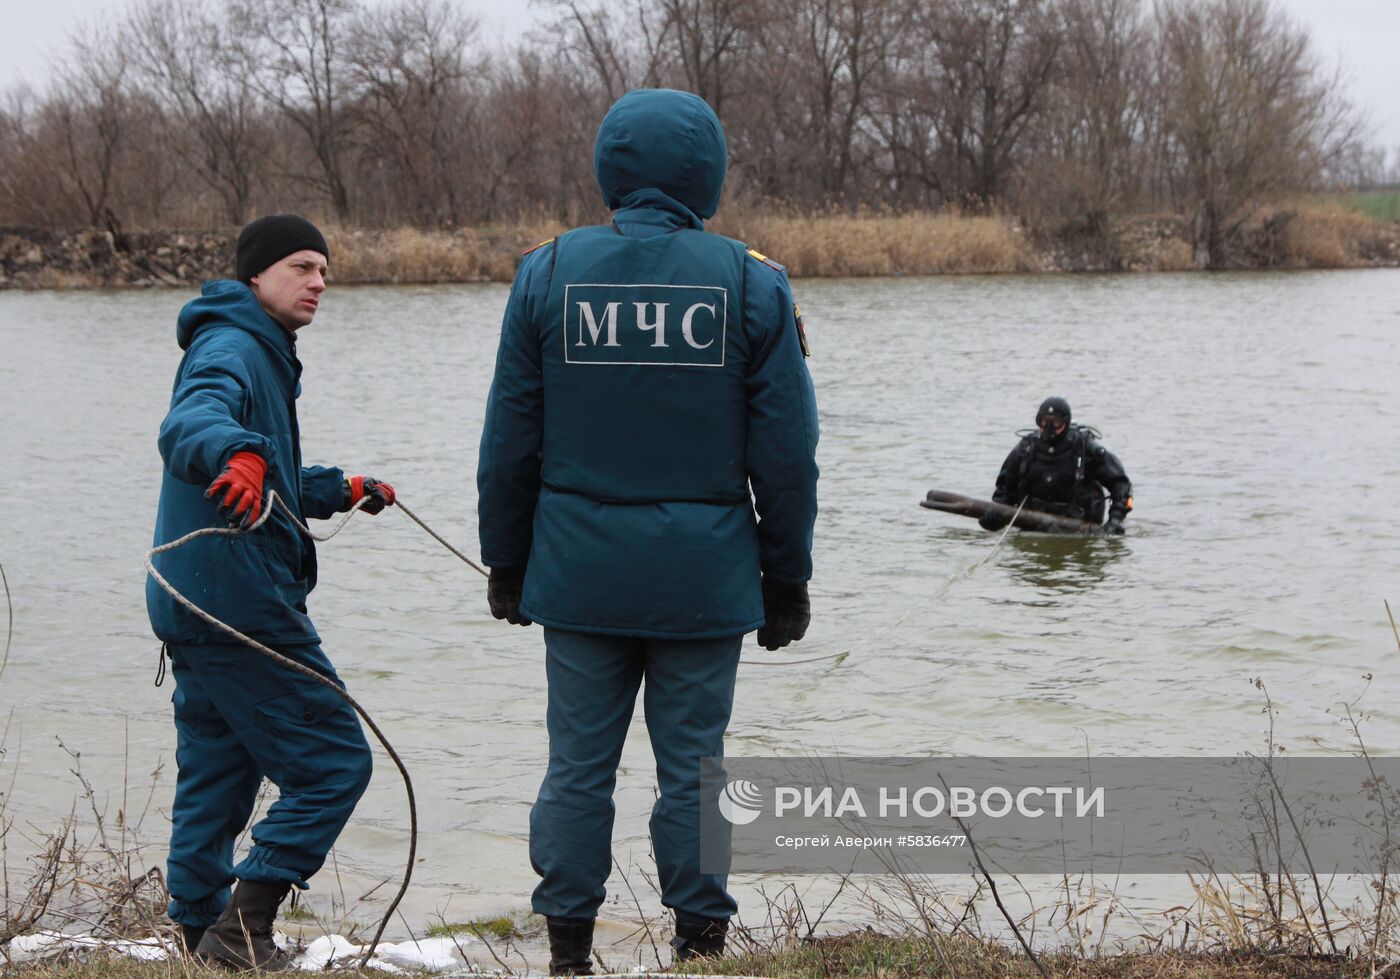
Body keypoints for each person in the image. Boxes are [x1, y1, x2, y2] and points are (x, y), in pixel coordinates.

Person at [477, 89, 819, 974]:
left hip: (577, 575)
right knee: (696, 773)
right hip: (704, 581)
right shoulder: (751, 280)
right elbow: (786, 458)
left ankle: (567, 953)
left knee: (578, 770)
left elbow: (508, 442)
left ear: (609, 170)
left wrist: (506, 561)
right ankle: (701, 948)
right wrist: (786, 579)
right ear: (707, 174)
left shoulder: (547, 274)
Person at [146, 214, 396, 971]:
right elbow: (193, 422)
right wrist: (235, 450)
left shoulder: (258, 346)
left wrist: (335, 487)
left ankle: (197, 931)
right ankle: (242, 927)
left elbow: (267, 472)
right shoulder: (231, 347)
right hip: (238, 600)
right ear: (257, 275)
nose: (319, 281)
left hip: (192, 598)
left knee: (219, 773)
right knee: (335, 763)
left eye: (324, 269)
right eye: (302, 266)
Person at [980, 396, 1133, 534]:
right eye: (1044, 421)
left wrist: (1116, 519)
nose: (1049, 427)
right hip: (1031, 525)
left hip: (1081, 527)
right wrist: (995, 515)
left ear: (1065, 422)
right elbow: (1005, 491)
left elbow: (1121, 485)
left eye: (1056, 421)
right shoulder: (1025, 450)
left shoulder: (1086, 449)